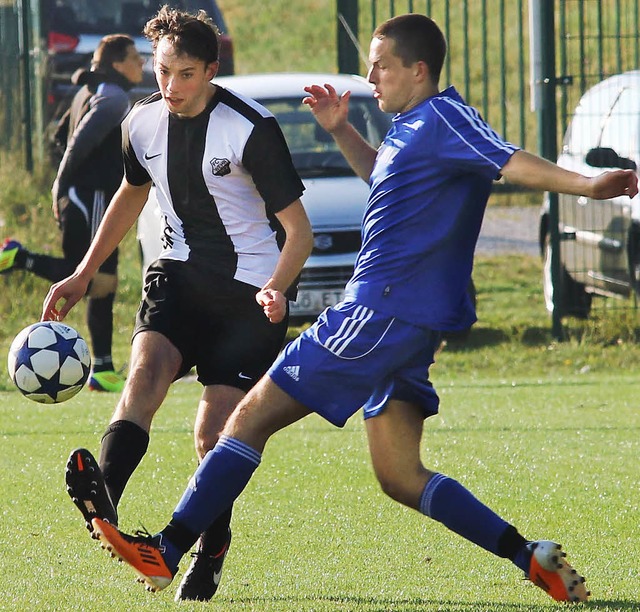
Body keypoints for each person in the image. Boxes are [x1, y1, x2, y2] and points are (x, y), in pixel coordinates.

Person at [49, 13, 638, 604]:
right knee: (400, 475)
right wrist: (339, 131)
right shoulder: (411, 129)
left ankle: (168, 550)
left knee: (245, 422)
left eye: (381, 65)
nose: (371, 75)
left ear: (419, 70)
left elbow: (509, 161)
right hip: (409, 328)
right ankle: (527, 554)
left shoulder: (444, 118)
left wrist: (588, 186)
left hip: (377, 310)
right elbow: (382, 177)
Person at [42, 6, 312, 603]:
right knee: (145, 373)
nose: (172, 87)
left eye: (186, 74)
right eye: (163, 71)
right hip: (175, 275)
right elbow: (131, 195)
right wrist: (83, 273)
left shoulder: (251, 127)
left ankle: (212, 546)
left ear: (212, 70)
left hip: (248, 292)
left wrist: (279, 286)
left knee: (212, 435)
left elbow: (299, 229)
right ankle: (104, 501)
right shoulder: (139, 123)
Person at [0, 34, 144, 392]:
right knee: (92, 277)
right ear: (116, 62)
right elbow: (77, 143)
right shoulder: (113, 98)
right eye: (134, 58)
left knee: (101, 282)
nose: (141, 65)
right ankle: (21, 258)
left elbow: (58, 137)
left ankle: (105, 369)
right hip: (91, 197)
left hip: (87, 195)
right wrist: (64, 185)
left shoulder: (90, 91)